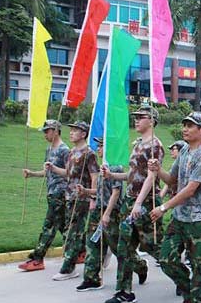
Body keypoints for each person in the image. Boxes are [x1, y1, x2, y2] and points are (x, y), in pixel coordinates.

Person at [147, 112, 201, 303]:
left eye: (190, 125)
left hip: (199, 220)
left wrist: (164, 207)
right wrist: (158, 169)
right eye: (184, 124)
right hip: (180, 217)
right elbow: (172, 180)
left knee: (199, 267)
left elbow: (191, 189)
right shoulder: (185, 150)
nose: (185, 128)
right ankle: (191, 293)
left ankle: (197, 298)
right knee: (166, 259)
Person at [104, 107, 161, 303]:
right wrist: (112, 176)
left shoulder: (155, 146)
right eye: (135, 117)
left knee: (153, 246)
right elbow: (132, 174)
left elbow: (152, 176)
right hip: (131, 201)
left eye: (140, 117)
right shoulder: (138, 144)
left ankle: (183, 276)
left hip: (145, 202)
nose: (136, 120)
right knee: (124, 247)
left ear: (152, 121)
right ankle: (124, 292)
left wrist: (138, 203)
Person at [47, 121, 99, 281]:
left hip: (81, 198)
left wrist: (92, 197)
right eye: (71, 130)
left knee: (73, 232)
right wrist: (53, 168)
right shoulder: (71, 152)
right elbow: (69, 174)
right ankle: (92, 254)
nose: (71, 133)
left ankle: (68, 267)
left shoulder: (88, 153)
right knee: (71, 230)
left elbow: (94, 176)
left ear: (83, 134)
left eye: (75, 130)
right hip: (69, 197)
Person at [76, 137, 129, 291]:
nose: (98, 149)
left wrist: (106, 214)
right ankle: (91, 278)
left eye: (101, 146)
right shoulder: (101, 168)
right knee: (92, 243)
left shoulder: (115, 167)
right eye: (98, 146)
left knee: (117, 246)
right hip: (98, 210)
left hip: (111, 212)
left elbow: (116, 192)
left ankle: (139, 266)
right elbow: (100, 192)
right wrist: (86, 191)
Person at [19, 120, 70, 272]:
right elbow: (47, 172)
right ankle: (80, 251)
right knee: (64, 227)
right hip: (51, 191)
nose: (45, 134)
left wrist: (54, 168)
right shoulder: (49, 150)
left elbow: (69, 173)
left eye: (47, 131)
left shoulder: (64, 150)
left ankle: (38, 258)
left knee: (49, 226)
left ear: (56, 131)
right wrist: (32, 173)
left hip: (60, 193)